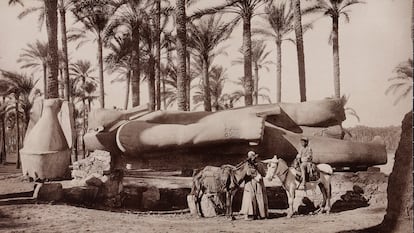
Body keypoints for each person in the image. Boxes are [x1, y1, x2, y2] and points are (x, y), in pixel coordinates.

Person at [240, 151, 268, 220]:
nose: (253, 158)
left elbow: (264, 174)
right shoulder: (246, 165)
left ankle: (260, 214)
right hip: (249, 182)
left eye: (253, 157)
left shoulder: (259, 164)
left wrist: (259, 172)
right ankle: (250, 214)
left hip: (258, 182)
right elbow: (244, 174)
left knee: (259, 197)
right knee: (250, 197)